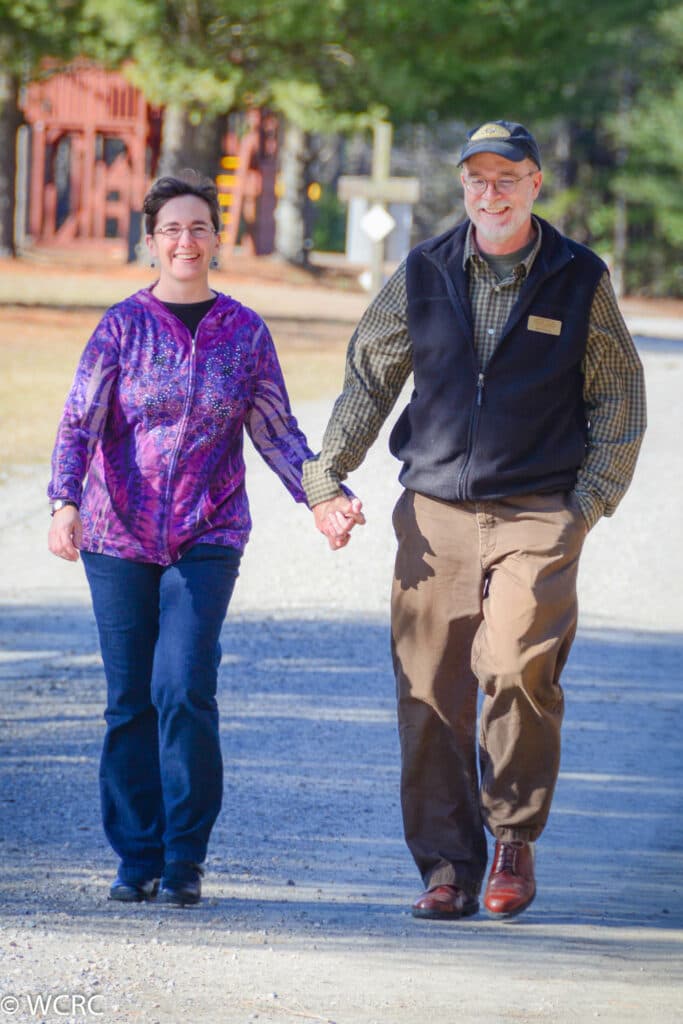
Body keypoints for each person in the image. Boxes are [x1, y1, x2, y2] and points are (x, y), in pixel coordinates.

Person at [305, 120, 646, 920]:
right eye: (475, 181)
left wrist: (585, 504)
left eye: (505, 179)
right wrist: (329, 475)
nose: (489, 194)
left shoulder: (577, 276)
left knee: (518, 666)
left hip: (537, 512)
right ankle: (445, 869)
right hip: (434, 514)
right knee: (429, 685)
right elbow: (369, 375)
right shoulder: (422, 270)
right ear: (462, 188)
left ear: (534, 184)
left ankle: (512, 841)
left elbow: (619, 399)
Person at [47, 170, 357, 907]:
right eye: (170, 230)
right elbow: (78, 419)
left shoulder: (244, 332)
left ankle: (184, 857)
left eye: (198, 228)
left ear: (216, 239)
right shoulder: (121, 325)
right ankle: (136, 858)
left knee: (183, 687)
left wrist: (323, 497)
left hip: (207, 534)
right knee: (130, 700)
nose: (185, 241)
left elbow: (277, 430)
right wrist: (63, 500)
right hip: (116, 536)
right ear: (150, 242)